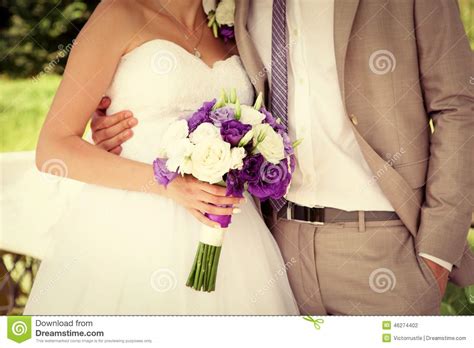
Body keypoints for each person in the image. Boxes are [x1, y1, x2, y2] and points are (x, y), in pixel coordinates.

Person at [94, 0, 474, 315]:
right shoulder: (235, 7)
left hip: (384, 246)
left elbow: (459, 106)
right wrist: (132, 118)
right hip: (274, 247)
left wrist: (436, 254)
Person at [24, 0, 298, 315]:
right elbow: (53, 148)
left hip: (232, 232)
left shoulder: (234, 28)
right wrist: (166, 182)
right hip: (132, 226)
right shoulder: (119, 14)